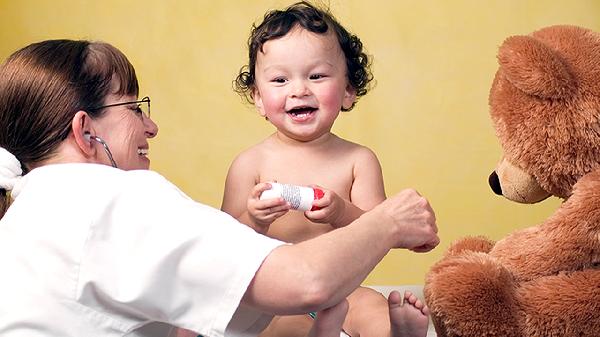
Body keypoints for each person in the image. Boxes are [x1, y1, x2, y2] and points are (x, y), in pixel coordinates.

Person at [0, 39, 438, 337]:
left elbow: (213, 291)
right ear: (84, 131)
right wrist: (392, 220)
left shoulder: (27, 214)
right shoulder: (116, 198)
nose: (151, 127)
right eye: (134, 108)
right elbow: (305, 280)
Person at [222, 2, 431, 337]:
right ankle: (323, 332)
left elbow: (379, 228)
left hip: (343, 289)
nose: (299, 89)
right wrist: (254, 219)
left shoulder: (357, 160)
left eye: (316, 76)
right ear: (258, 97)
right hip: (277, 296)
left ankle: (397, 332)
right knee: (278, 328)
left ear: (348, 90)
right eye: (279, 79)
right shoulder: (250, 164)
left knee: (370, 308)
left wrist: (340, 210)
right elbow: (225, 243)